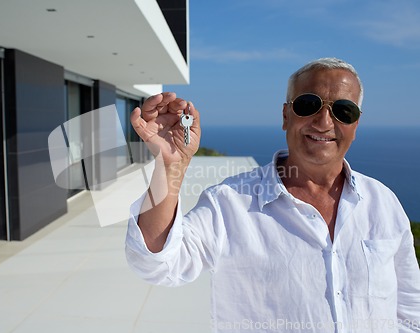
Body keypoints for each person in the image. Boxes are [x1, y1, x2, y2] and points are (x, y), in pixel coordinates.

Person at [125, 58, 420, 332]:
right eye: (308, 104)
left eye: (343, 110)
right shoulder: (228, 204)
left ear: (356, 124)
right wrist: (170, 167)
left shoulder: (383, 203)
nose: (324, 122)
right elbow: (156, 264)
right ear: (285, 115)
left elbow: (409, 312)